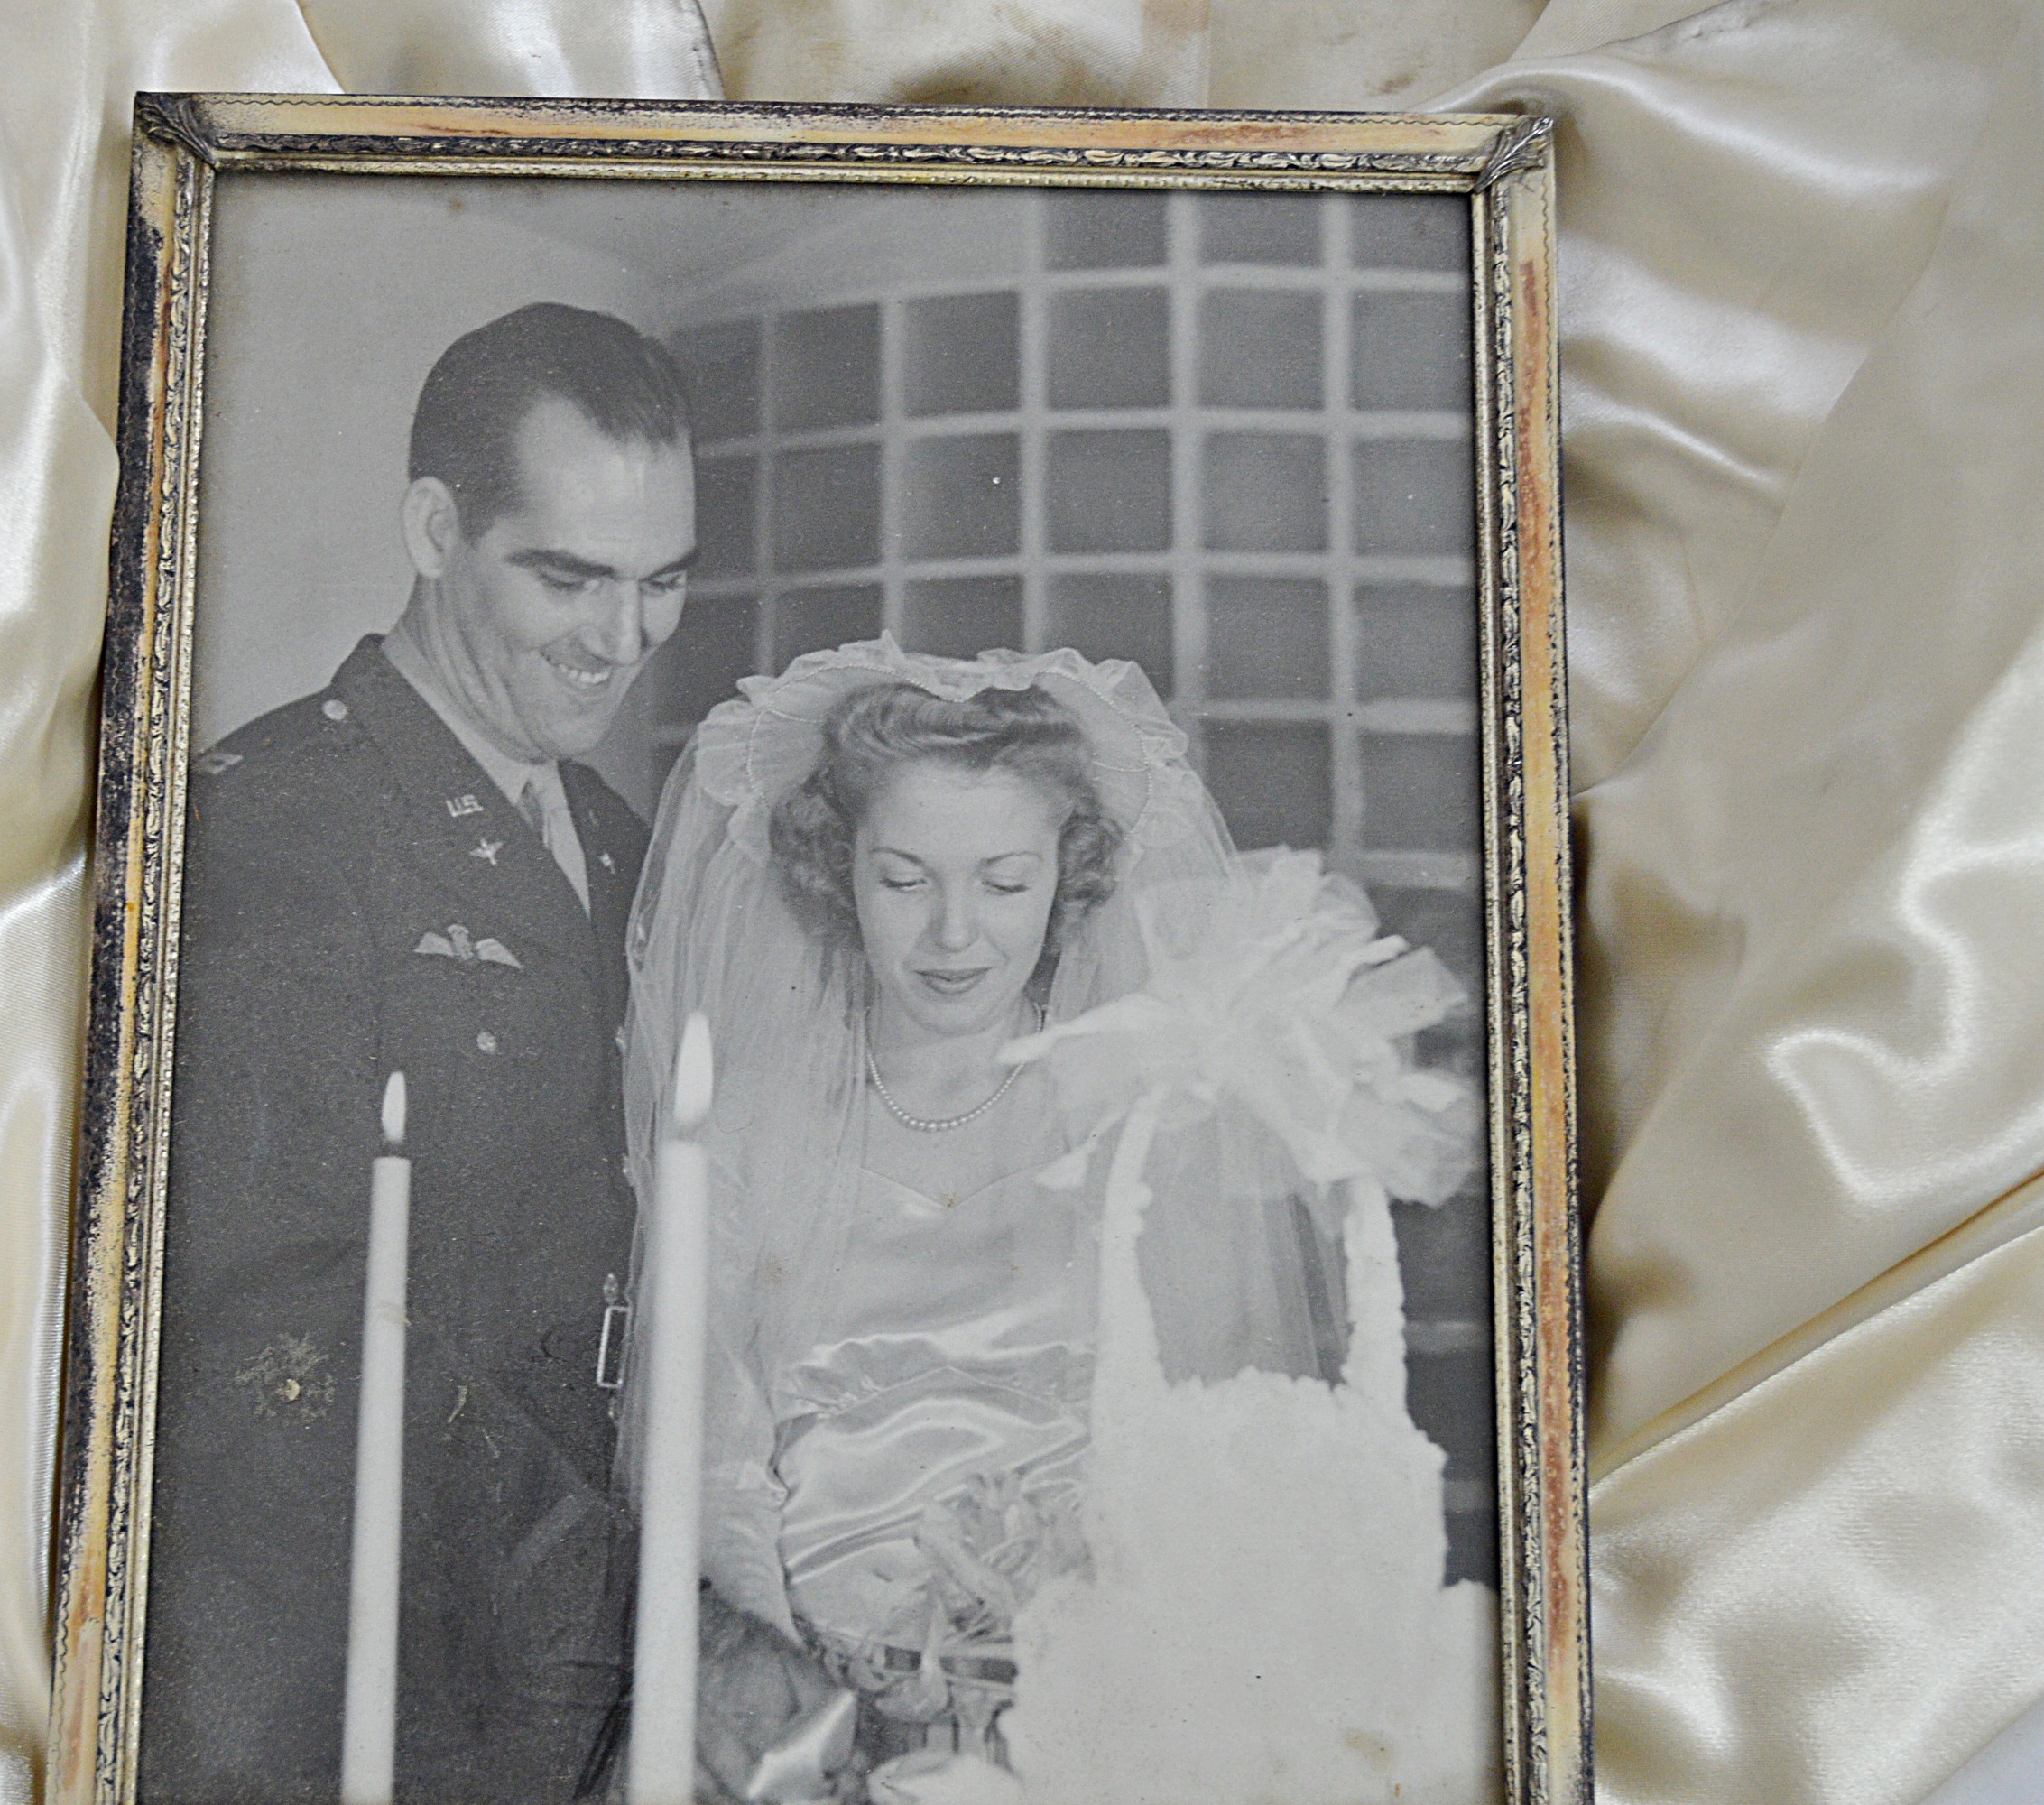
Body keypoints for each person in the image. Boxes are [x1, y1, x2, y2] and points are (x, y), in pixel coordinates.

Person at [620, 638, 1480, 1792]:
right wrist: (807, 1701)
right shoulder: (749, 1130)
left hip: (1095, 1715)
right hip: (804, 1725)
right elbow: (709, 1460)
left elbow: (1209, 1457)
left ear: (1065, 875)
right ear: (837, 866)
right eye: (905, 877)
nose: (953, 933)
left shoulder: (1142, 1120)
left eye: (1002, 880)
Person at [137, 301, 698, 1804]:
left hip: (566, 1688)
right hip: (359, 1671)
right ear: (435, 527)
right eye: (567, 577)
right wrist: (615, 1583)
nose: (618, 640)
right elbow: (272, 1321)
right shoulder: (273, 826)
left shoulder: (627, 850)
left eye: (661, 584)